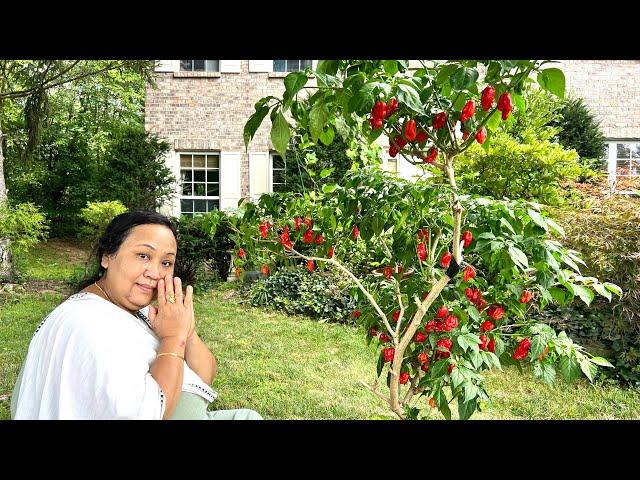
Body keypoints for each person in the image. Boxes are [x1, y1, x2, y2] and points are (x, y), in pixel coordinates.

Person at [11, 210, 262, 420]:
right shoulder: (88, 323)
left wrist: (186, 331)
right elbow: (144, 414)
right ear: (107, 257)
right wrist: (173, 339)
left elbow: (203, 376)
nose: (155, 272)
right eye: (143, 256)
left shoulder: (137, 311)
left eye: (166, 262)